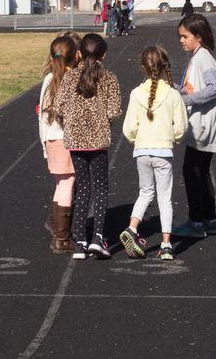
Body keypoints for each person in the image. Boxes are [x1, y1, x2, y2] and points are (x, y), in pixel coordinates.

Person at [54, 33, 121, 259]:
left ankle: (80, 240)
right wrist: (102, 121)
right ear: (104, 55)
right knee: (101, 187)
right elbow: (114, 111)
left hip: (75, 141)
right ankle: (98, 237)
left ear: (79, 54)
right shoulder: (109, 77)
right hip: (98, 140)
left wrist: (71, 123)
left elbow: (58, 107)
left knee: (83, 188)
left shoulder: (70, 77)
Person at [173, 15, 216, 239]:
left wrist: (184, 99)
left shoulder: (203, 58)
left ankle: (196, 222)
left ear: (199, 37)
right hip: (204, 123)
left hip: (204, 125)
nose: (181, 40)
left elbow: (213, 88)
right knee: (200, 171)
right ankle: (210, 220)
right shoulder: (199, 56)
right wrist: (173, 89)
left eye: (185, 36)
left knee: (191, 171)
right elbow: (193, 87)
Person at [120, 46, 188, 261]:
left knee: (145, 192)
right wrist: (173, 138)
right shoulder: (173, 95)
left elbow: (129, 127)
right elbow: (181, 127)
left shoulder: (135, 93)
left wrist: (136, 139)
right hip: (163, 151)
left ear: (143, 67)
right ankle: (166, 244)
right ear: (165, 66)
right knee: (164, 197)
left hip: (141, 151)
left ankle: (132, 228)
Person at [39, 35, 80, 253]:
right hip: (66, 138)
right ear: (75, 56)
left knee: (60, 184)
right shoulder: (72, 78)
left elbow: (42, 116)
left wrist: (44, 143)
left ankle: (57, 229)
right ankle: (61, 238)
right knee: (67, 184)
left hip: (51, 138)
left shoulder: (48, 78)